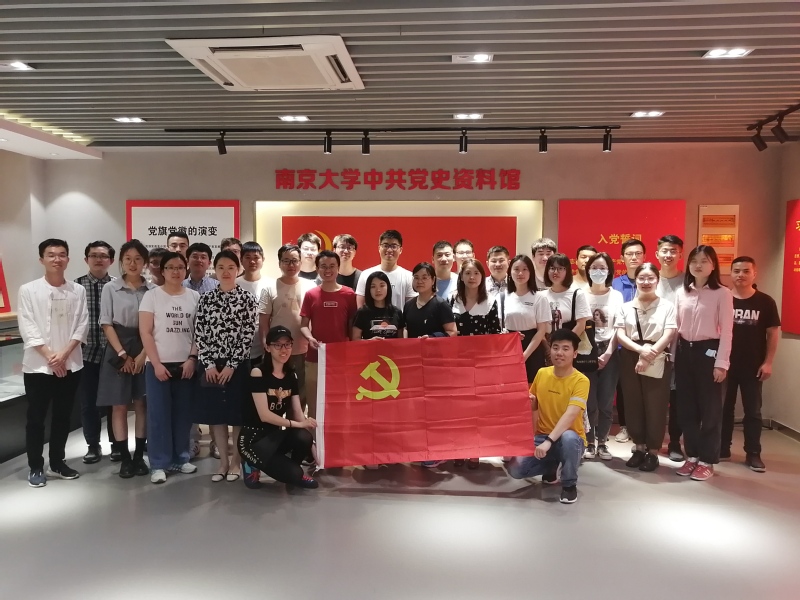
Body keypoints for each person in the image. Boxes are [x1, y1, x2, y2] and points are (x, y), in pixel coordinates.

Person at [18, 239, 89, 487]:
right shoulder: (28, 290)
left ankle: (57, 463)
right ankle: (36, 466)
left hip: (70, 364)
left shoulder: (77, 290)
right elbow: (28, 327)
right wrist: (51, 357)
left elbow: (82, 325)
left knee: (62, 416)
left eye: (61, 254)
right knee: (36, 418)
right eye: (51, 255)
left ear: (68, 259)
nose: (57, 259)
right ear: (42, 259)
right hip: (38, 367)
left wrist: (64, 355)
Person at [194, 250, 257, 482]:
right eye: (221, 267)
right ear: (215, 269)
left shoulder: (248, 299)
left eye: (231, 267)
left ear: (238, 269)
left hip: (237, 367)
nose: (226, 272)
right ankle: (222, 463)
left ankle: (236, 462)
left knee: (237, 416)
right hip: (211, 366)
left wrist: (231, 365)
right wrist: (209, 364)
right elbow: (200, 333)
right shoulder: (206, 299)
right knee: (217, 416)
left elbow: (248, 335)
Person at [507, 329, 588, 505]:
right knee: (515, 469)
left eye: (565, 349)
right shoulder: (542, 373)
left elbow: (571, 414)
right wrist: (531, 402)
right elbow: (534, 407)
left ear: (575, 354)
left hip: (570, 438)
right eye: (555, 347)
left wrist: (549, 441)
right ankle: (552, 466)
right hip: (543, 436)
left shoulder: (581, 381)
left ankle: (569, 484)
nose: (559, 353)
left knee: (568, 438)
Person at [139, 251, 200, 484]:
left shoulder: (194, 296)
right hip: (158, 365)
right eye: (170, 267)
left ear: (186, 270)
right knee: (158, 415)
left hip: (186, 365)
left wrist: (192, 359)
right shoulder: (152, 296)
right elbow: (145, 332)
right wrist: (155, 364)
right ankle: (158, 463)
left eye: (180, 267)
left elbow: (199, 332)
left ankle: (181, 458)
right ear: (162, 271)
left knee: (183, 414)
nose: (176, 271)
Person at [674, 245, 734, 481]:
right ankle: (692, 456)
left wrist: (722, 363)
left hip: (709, 352)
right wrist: (673, 358)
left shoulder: (722, 293)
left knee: (710, 410)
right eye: (694, 261)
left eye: (704, 261)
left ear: (713, 265)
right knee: (686, 408)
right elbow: (676, 328)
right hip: (684, 352)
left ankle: (707, 459)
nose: (698, 265)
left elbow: (727, 331)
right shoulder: (682, 292)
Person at [97, 239, 154, 478]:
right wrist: (123, 355)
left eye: (138, 259)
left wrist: (142, 355)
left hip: (144, 347)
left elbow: (154, 327)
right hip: (117, 347)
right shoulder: (111, 288)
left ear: (145, 263)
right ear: (121, 261)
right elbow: (106, 323)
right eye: (128, 259)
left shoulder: (152, 290)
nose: (133, 263)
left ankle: (139, 456)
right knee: (118, 405)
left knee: (142, 403)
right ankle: (125, 458)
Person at [239, 326, 319, 490]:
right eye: (277, 345)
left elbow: (297, 413)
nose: (283, 349)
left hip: (273, 436)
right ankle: (250, 463)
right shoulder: (258, 372)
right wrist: (299, 424)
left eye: (287, 344)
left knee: (304, 437)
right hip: (253, 440)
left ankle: (291, 470)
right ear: (268, 347)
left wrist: (312, 444)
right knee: (295, 474)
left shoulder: (291, 374)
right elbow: (265, 415)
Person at [615, 263, 677, 472]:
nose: (646, 282)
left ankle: (653, 452)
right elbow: (620, 334)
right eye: (641, 278)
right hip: (630, 355)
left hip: (657, 356)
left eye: (650, 278)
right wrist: (640, 351)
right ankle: (639, 447)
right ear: (636, 280)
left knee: (655, 404)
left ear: (657, 280)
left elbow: (669, 334)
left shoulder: (667, 306)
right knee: (633, 403)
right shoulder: (625, 307)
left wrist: (650, 353)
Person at [721, 256, 781, 472]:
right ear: (731, 273)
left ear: (754, 274)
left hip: (753, 366)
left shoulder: (765, 302)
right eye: (736, 271)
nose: (741, 275)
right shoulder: (723, 298)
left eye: (746, 271)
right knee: (723, 409)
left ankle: (753, 453)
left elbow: (773, 333)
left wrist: (768, 362)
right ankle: (722, 448)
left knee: (753, 412)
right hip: (725, 365)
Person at [450, 259, 502, 469]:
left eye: (476, 273)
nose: (472, 277)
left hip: (481, 365)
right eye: (467, 273)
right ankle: (458, 449)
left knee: (477, 409)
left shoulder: (491, 301)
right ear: (461, 276)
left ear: (482, 276)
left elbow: (495, 335)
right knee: (458, 408)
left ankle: (474, 451)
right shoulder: (452, 298)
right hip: (456, 364)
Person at [300, 250, 358, 424]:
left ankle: (338, 436)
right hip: (315, 357)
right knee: (314, 404)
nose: (328, 270)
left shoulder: (349, 294)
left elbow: (353, 327)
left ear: (338, 268)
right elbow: (303, 325)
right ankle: (314, 439)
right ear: (317, 269)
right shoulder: (311, 294)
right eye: (323, 266)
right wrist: (310, 338)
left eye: (332, 266)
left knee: (340, 402)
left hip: (341, 359)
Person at [259, 244, 317, 411]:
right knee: (277, 390)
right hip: (278, 349)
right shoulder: (269, 287)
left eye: (294, 261)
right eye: (286, 261)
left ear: (300, 262)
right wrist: (266, 343)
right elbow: (264, 320)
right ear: (279, 263)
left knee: (302, 390)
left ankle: (298, 423)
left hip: (304, 348)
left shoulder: (311, 286)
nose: (291, 265)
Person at [74, 240, 117, 464]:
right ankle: (92, 445)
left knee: (114, 402)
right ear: (86, 259)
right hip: (86, 354)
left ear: (111, 260)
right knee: (88, 403)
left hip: (113, 355)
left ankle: (117, 445)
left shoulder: (118, 286)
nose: (98, 260)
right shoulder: (76, 287)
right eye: (94, 256)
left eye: (103, 256)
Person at [582, 252, 624, 460]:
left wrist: (608, 353)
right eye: (594, 268)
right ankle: (589, 442)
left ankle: (603, 443)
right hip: (586, 350)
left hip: (609, 350)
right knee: (588, 401)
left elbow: (618, 327)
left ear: (609, 271)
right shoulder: (580, 293)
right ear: (588, 270)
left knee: (606, 402)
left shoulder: (616, 296)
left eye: (603, 268)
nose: (598, 272)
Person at [611, 238, 646, 443]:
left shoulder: (651, 280)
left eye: (638, 253)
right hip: (621, 344)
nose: (634, 257)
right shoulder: (615, 283)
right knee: (623, 389)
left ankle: (643, 429)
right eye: (629, 254)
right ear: (622, 257)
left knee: (645, 389)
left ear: (644, 256)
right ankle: (625, 426)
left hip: (647, 344)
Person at [655, 234, 685, 461]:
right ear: (657, 254)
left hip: (681, 348)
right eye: (665, 250)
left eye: (673, 251)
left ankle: (675, 442)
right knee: (654, 398)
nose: (668, 255)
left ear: (680, 254)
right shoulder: (649, 278)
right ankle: (651, 442)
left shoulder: (688, 281)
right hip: (654, 348)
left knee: (677, 399)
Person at [504, 255, 551, 385]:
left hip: (533, 348)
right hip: (509, 348)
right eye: (516, 269)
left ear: (531, 272)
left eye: (525, 269)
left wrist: (524, 356)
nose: (520, 273)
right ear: (510, 272)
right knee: (510, 388)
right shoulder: (503, 297)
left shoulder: (539, 298)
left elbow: (541, 331)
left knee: (532, 390)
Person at [356, 230, 415, 310]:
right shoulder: (365, 275)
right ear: (379, 248)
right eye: (385, 245)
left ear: (400, 250)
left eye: (394, 246)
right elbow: (360, 308)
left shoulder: (409, 277)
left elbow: (411, 309)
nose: (389, 250)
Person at [403, 262, 457, 339]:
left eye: (424, 278)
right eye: (416, 278)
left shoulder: (441, 304)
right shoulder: (408, 305)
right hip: (413, 346)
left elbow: (452, 332)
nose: (420, 281)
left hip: (435, 346)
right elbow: (405, 329)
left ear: (433, 280)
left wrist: (433, 337)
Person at [236, 241, 270, 364]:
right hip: (237, 349)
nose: (252, 261)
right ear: (241, 260)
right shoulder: (233, 284)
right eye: (248, 257)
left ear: (263, 259)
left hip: (263, 346)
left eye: (256, 257)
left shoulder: (271, 284)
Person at [542, 253, 590, 337]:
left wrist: (564, 343)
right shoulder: (541, 295)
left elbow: (581, 325)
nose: (555, 272)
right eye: (552, 268)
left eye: (560, 268)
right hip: (546, 342)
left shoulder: (577, 294)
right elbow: (538, 326)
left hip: (570, 342)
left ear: (567, 270)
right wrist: (546, 344)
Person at [352, 271, 405, 340]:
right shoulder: (362, 313)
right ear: (368, 289)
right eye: (373, 286)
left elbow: (400, 340)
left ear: (388, 287)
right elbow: (355, 339)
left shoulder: (397, 312)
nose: (378, 290)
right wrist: (369, 341)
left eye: (382, 285)